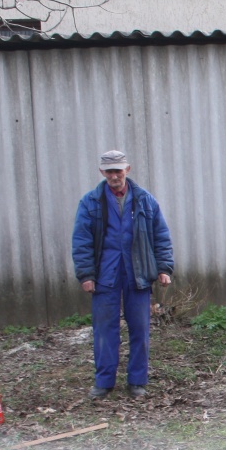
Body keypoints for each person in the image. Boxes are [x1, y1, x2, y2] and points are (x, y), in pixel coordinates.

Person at [71, 150, 174, 399]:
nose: (114, 175)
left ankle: (137, 381)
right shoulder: (90, 202)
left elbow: (161, 236)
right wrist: (86, 275)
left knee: (140, 329)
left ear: (127, 170)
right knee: (105, 330)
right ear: (102, 173)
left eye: (118, 170)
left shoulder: (145, 200)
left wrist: (164, 268)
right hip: (105, 275)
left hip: (137, 274)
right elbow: (81, 241)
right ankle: (104, 382)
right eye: (110, 171)